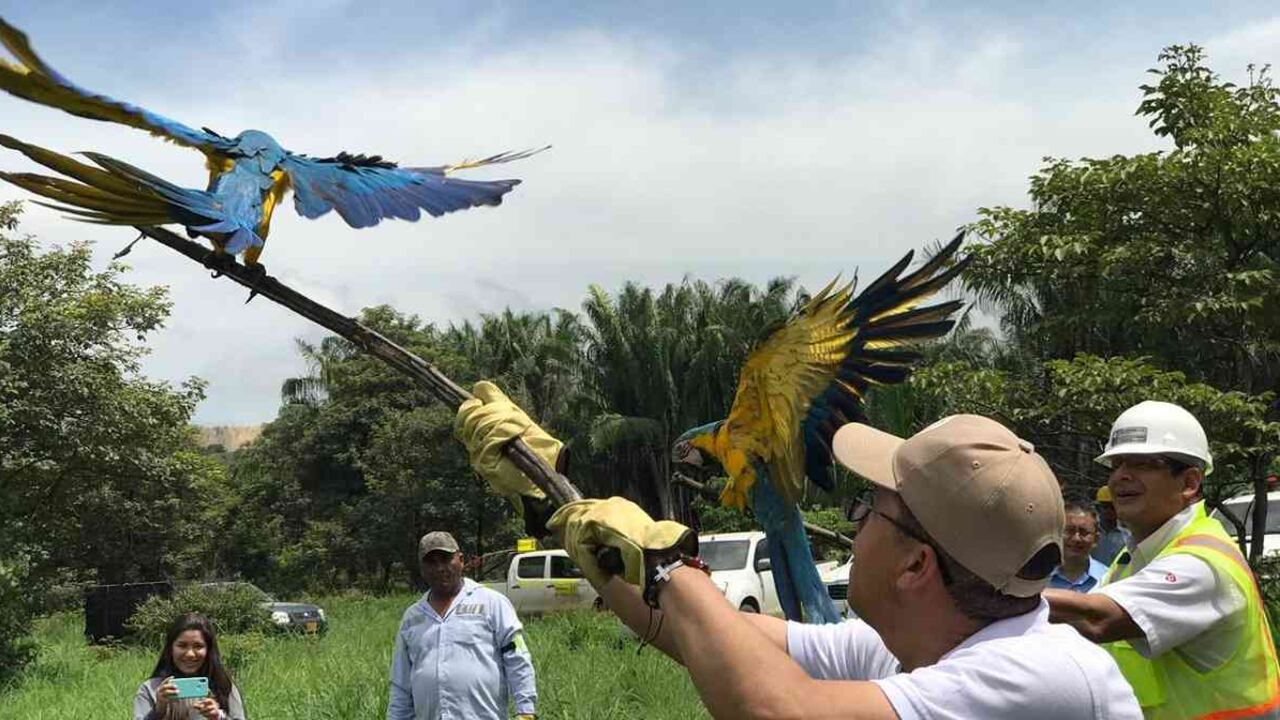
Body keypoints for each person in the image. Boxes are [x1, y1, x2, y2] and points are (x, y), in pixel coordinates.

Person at [455, 386, 1141, 719]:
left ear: (916, 565)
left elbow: (779, 712)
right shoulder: (906, 650)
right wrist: (555, 506)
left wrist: (664, 564)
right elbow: (691, 631)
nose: (856, 522)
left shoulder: (1040, 677)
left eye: (871, 510)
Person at [1045, 400, 1280, 719]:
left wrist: (992, 589)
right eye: (1116, 464)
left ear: (1189, 483)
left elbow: (1095, 618)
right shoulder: (1134, 557)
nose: (1119, 478)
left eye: (1142, 463)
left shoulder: (1203, 562)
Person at [387, 530, 537, 720]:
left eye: (446, 559)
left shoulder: (492, 603)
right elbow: (401, 682)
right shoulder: (413, 617)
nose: (440, 568)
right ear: (422, 569)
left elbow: (517, 658)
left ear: (461, 560)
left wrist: (526, 710)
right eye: (431, 562)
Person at [133, 612, 247, 720]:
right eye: (182, 645)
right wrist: (158, 711)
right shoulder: (150, 689)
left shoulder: (224, 687)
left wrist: (219, 716)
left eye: (198, 646)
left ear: (209, 650)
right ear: (170, 649)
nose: (190, 654)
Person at [1048, 499, 1110, 593]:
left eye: (1084, 532)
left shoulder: (1109, 579)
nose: (1076, 539)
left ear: (1096, 539)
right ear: (1056, 533)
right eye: (1069, 530)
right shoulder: (1037, 578)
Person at [1092, 485, 1131, 566]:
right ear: (1098, 508)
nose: (1109, 511)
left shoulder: (1128, 537)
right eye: (1105, 507)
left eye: (1112, 507)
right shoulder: (1090, 534)